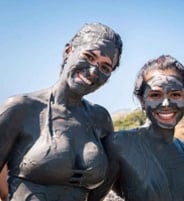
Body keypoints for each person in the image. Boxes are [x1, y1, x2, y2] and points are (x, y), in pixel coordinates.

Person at [0, 22, 122, 201]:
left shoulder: (100, 119)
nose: (93, 71)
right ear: (68, 51)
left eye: (105, 67)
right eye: (88, 56)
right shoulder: (20, 109)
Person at [88, 55, 184, 201]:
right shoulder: (119, 144)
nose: (166, 103)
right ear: (142, 100)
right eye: (155, 95)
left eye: (175, 94)